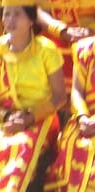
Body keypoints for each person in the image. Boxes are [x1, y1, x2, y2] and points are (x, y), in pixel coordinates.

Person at [0, 0, 65, 192]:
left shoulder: (47, 50)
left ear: (32, 20)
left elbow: (59, 97)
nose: (10, 19)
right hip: (3, 118)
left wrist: (29, 118)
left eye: (18, 14)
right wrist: (5, 116)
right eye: (7, 13)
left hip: (41, 118)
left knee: (21, 144)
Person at [44, 35, 95, 190]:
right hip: (86, 120)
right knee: (75, 143)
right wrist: (82, 117)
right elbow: (77, 92)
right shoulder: (84, 49)